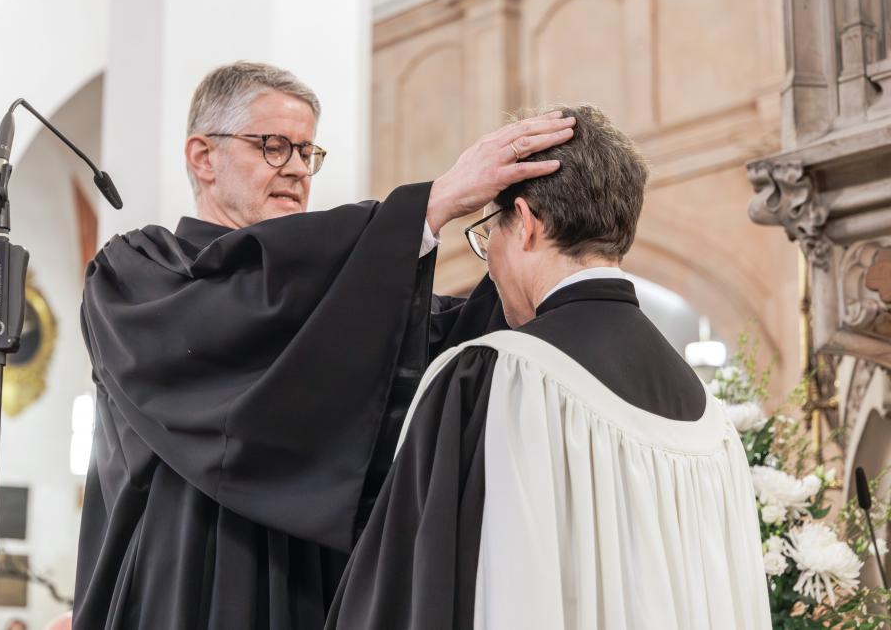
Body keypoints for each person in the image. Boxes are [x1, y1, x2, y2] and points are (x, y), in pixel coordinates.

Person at [72, 61, 575, 629]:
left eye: (307, 152)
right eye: (273, 146)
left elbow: (443, 359)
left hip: (315, 589)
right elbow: (236, 323)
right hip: (183, 585)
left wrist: (529, 241)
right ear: (202, 156)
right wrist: (430, 205)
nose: (296, 170)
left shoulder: (348, 298)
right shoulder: (137, 274)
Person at [325, 104, 771, 630]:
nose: (488, 256)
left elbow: (411, 592)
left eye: (490, 232)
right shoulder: (711, 421)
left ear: (528, 224)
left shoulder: (489, 375)